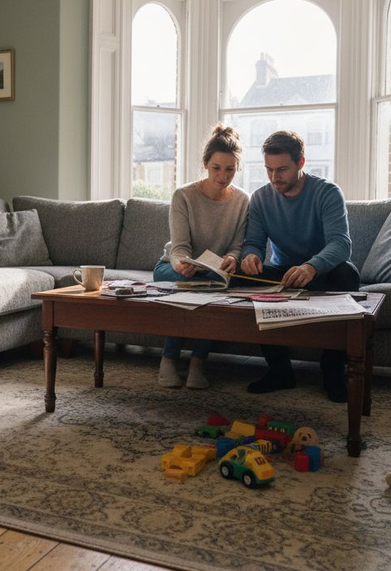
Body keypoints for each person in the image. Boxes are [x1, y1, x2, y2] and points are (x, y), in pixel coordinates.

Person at [240, 130, 360, 401]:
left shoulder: (327, 192)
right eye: (269, 170)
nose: (274, 178)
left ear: (301, 163)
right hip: (283, 275)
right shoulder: (260, 198)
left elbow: (341, 244)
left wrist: (311, 266)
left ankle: (332, 370)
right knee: (236, 274)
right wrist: (250, 256)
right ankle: (280, 371)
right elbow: (254, 243)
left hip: (322, 273)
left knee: (348, 274)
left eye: (282, 169)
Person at [153, 124, 249, 389]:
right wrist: (180, 264)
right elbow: (179, 248)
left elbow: (237, 247)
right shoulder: (184, 195)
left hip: (212, 273)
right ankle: (169, 359)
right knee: (194, 286)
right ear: (206, 164)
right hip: (171, 268)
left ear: (237, 168)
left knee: (211, 286)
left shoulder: (243, 201)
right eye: (216, 168)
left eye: (230, 169)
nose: (223, 175)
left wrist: (232, 259)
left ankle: (197, 362)